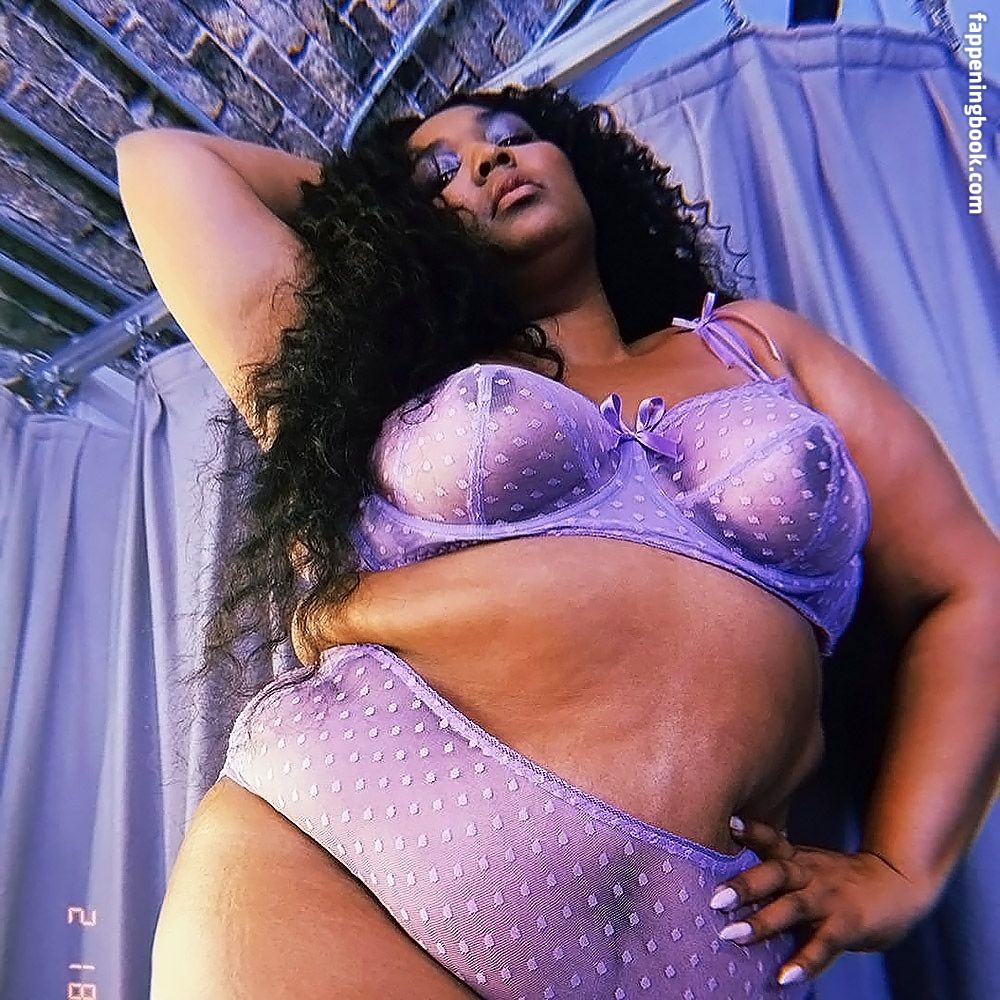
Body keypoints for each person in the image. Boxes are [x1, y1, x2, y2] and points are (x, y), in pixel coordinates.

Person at [117, 83, 999, 999]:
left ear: (587, 169)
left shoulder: (760, 347)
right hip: (346, 864)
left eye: (510, 136)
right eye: (439, 174)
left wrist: (903, 870)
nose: (489, 159)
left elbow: (970, 585)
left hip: (699, 934)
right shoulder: (376, 376)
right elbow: (162, 164)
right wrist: (371, 211)